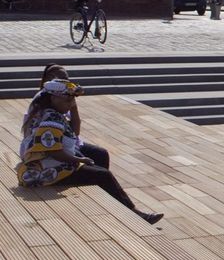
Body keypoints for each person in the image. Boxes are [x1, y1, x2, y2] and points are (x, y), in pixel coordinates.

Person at [17, 80, 162, 223]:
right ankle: (134, 214)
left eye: (73, 99)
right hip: (48, 168)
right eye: (67, 99)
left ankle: (107, 199)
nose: (71, 102)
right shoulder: (50, 117)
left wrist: (72, 108)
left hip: (58, 159)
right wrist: (79, 160)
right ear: (53, 98)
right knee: (103, 175)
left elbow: (75, 131)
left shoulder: (55, 112)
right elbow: (53, 151)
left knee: (100, 155)